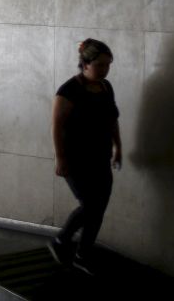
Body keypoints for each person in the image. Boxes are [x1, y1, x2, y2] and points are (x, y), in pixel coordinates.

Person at [48, 38, 122, 275]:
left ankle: (82, 253)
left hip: (100, 156)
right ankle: (62, 240)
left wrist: (118, 147)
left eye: (108, 65)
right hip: (75, 159)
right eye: (100, 65)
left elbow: (112, 120)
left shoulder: (106, 87)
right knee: (90, 205)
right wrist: (60, 158)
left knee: (98, 209)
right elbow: (56, 127)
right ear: (85, 64)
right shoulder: (68, 90)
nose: (105, 70)